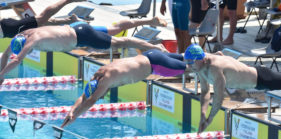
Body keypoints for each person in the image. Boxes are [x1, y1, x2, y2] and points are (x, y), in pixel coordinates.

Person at [0, 20, 168, 84]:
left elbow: (16, 60)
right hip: (76, 27)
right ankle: (149, 20)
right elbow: (7, 55)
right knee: (113, 28)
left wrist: (1, 75)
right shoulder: (22, 35)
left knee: (120, 42)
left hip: (81, 37)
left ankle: (155, 47)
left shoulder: (31, 41)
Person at [183, 44, 281, 133]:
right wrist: (203, 113)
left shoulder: (215, 69)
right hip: (255, 75)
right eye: (187, 62)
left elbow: (219, 98)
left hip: (263, 79)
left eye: (191, 62)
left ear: (200, 59)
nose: (189, 66)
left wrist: (210, 119)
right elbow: (205, 91)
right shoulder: (200, 67)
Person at [61, 49, 187, 127]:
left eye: (101, 94)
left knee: (192, 68)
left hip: (156, 65)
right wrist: (71, 111)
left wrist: (75, 116)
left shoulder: (104, 81)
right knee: (185, 57)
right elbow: (84, 97)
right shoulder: (99, 74)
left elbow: (90, 100)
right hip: (150, 54)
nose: (102, 96)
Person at [0, 0, 85, 38]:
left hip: (8, 28)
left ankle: (68, 1)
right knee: (39, 24)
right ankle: (70, 20)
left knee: (41, 18)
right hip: (6, 28)